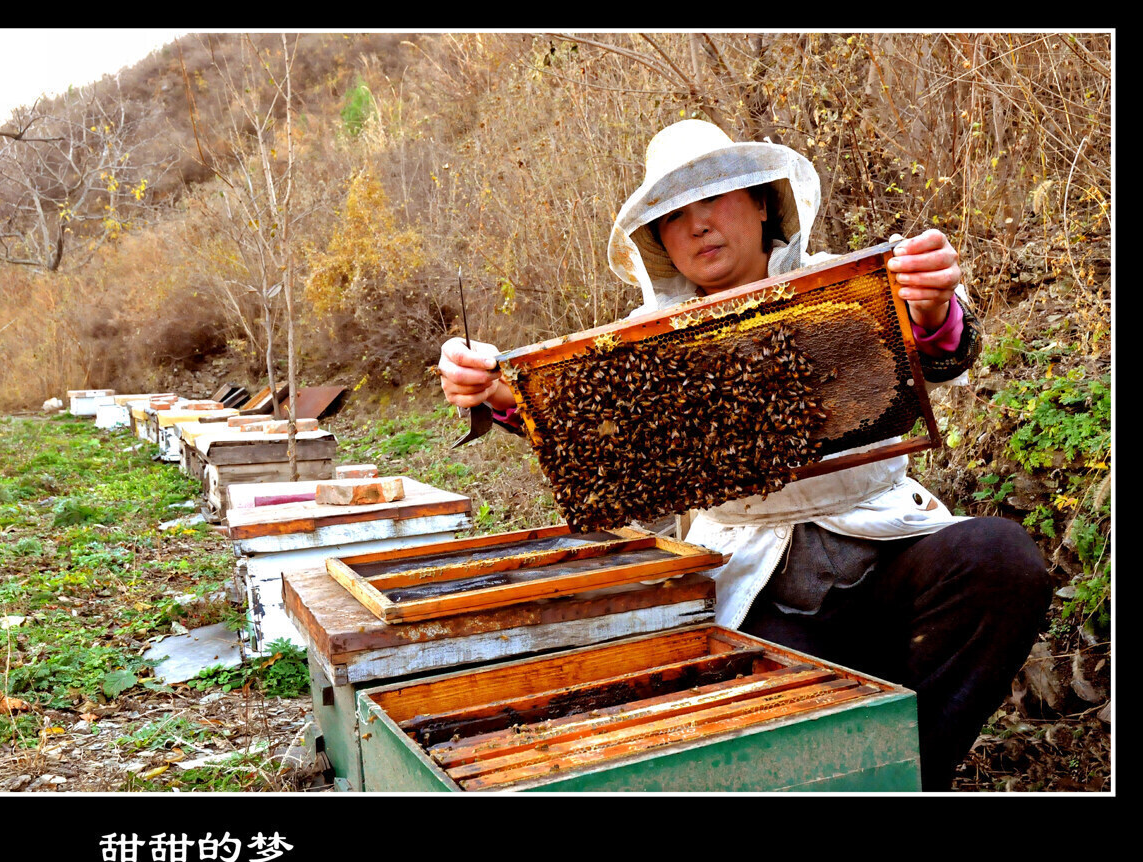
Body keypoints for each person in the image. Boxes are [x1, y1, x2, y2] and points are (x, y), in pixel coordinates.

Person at [436, 119, 1051, 791]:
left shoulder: (846, 287)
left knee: (1000, 559)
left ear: (762, 200)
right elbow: (591, 432)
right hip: (754, 574)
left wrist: (933, 308)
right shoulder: (644, 346)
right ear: (657, 240)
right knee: (769, 720)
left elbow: (943, 350)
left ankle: (908, 776)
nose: (698, 224)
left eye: (716, 197)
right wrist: (499, 391)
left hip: (886, 538)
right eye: (675, 213)